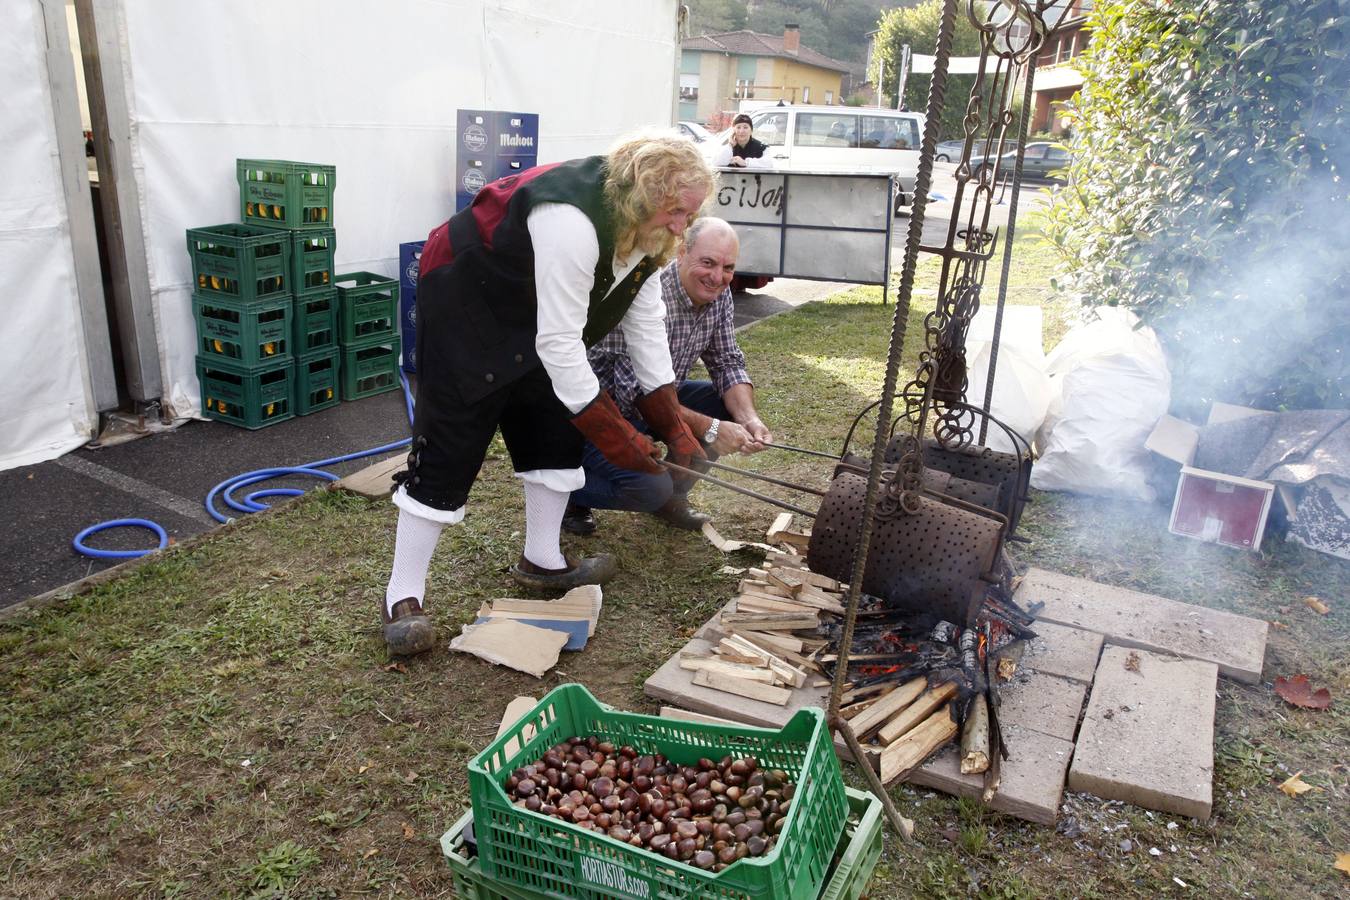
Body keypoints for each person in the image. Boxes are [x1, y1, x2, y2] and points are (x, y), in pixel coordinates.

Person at [380, 134, 717, 655]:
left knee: (552, 428)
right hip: (471, 297)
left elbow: (644, 319)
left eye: (689, 215)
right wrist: (620, 436)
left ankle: (542, 560)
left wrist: (670, 419)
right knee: (452, 442)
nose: (681, 227)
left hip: (540, 311)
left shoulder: (654, 235)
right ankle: (403, 597)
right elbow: (560, 342)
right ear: (642, 193)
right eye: (674, 211)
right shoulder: (572, 218)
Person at [562, 217, 773, 536]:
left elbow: (727, 362)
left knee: (722, 407)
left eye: (728, 267)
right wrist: (713, 429)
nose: (717, 277)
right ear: (682, 251)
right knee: (649, 488)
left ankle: (671, 499)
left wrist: (748, 419)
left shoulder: (717, 294)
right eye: (708, 262)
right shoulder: (646, 293)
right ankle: (565, 488)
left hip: (657, 401)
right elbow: (634, 395)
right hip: (599, 414)